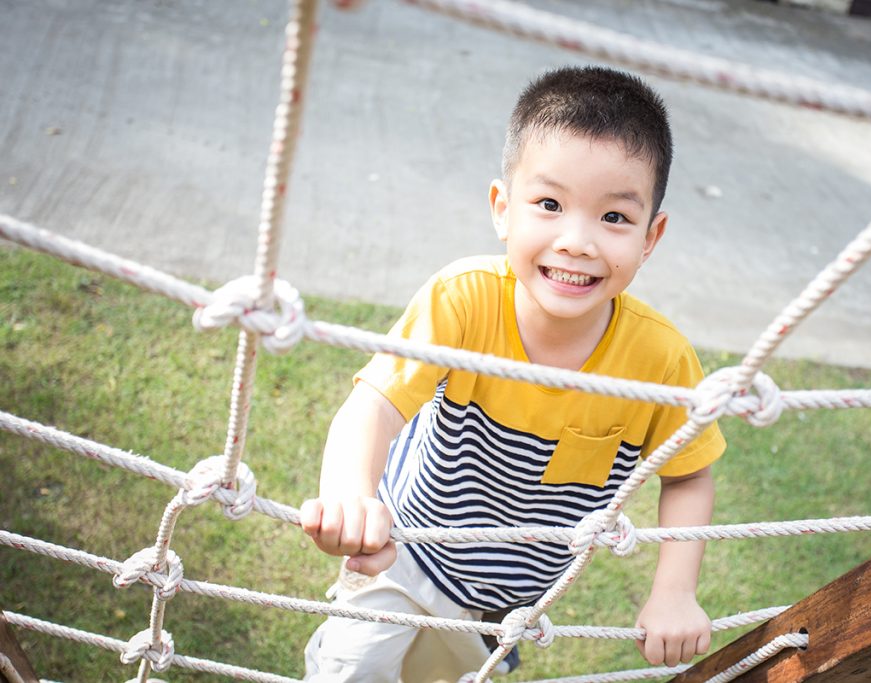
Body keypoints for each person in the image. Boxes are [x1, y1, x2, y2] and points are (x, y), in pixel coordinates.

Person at [301, 65, 727, 682]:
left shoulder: (660, 361)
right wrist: (350, 490)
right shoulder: (464, 299)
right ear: (503, 209)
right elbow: (373, 405)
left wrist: (675, 589)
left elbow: (688, 475)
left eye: (614, 217)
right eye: (549, 205)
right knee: (350, 674)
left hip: (502, 609)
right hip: (402, 554)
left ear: (650, 236)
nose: (577, 241)